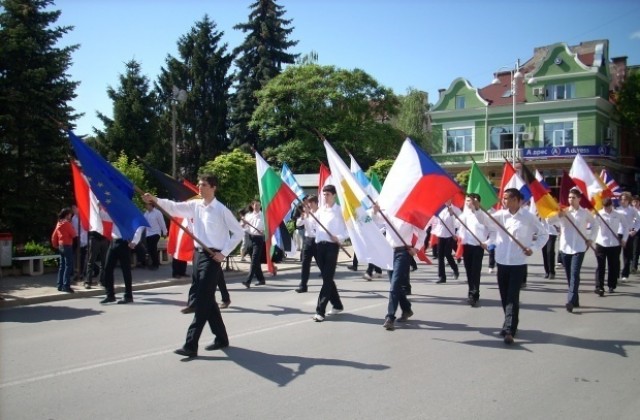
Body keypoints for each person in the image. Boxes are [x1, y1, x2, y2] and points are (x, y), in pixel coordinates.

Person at [143, 173, 244, 358]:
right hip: (198, 256)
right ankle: (221, 338)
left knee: (202, 302)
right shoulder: (195, 205)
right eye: (199, 184)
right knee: (208, 300)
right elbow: (174, 207)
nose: (200, 187)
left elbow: (238, 233)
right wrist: (155, 200)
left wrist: (224, 253)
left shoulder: (222, 210)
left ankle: (191, 344)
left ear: (213, 187)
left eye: (204, 184)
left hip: (212, 258)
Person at [487, 188, 547, 344]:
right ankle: (510, 322)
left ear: (515, 200)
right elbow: (485, 221)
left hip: (518, 263)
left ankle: (509, 330)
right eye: (503, 198)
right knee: (504, 296)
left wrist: (532, 248)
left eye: (506, 198)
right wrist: (477, 208)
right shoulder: (500, 215)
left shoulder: (528, 217)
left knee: (512, 297)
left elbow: (543, 234)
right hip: (502, 262)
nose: (504, 201)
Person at [372, 203, 425, 331]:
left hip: (403, 253)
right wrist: (375, 211)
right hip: (389, 252)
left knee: (395, 284)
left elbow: (422, 233)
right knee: (394, 284)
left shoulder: (411, 215)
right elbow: (376, 220)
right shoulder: (389, 213)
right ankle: (406, 309)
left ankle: (390, 317)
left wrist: (416, 248)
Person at [551, 188, 595, 312]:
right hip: (565, 248)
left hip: (579, 248)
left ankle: (570, 300)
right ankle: (575, 299)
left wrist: (590, 238)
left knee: (575, 274)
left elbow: (595, 224)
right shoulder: (563, 211)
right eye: (569, 197)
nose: (571, 200)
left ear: (579, 199)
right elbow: (549, 221)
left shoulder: (585, 212)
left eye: (573, 198)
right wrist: (558, 215)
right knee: (569, 275)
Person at [312, 185, 348, 322]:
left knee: (327, 278)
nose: (325, 197)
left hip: (332, 247)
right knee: (327, 277)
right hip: (319, 246)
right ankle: (337, 305)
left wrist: (338, 237)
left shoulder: (340, 211)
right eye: (324, 194)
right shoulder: (321, 210)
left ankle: (320, 310)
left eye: (327, 194)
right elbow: (314, 226)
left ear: (334, 195)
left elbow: (348, 230)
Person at [99, 221, 144, 305]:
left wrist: (134, 241)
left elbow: (138, 226)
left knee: (125, 270)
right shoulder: (114, 212)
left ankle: (128, 295)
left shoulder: (128, 212)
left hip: (124, 242)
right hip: (113, 241)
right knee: (107, 268)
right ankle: (110, 295)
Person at [457, 193, 490, 307]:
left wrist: (486, 243)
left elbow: (491, 231)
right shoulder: (465, 215)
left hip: (478, 246)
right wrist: (452, 213)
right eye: (466, 201)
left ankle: (474, 294)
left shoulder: (483, 215)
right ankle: (471, 291)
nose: (468, 203)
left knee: (475, 271)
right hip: (467, 246)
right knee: (469, 271)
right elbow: (456, 224)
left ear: (477, 202)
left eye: (470, 201)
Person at [593, 197, 628, 295]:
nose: (606, 209)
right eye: (605, 207)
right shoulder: (599, 214)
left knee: (613, 266)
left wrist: (624, 239)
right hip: (601, 243)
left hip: (614, 243)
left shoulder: (618, 214)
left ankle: (611, 285)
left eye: (608, 206)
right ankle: (599, 287)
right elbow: (594, 227)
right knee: (600, 265)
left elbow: (626, 226)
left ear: (611, 205)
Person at [430, 200, 460, 283]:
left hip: (450, 236)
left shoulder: (455, 209)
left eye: (448, 199)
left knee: (447, 254)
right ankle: (442, 277)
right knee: (440, 256)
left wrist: (452, 214)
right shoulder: (440, 209)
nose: (446, 200)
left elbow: (460, 223)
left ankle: (455, 269)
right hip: (441, 235)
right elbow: (434, 221)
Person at [295, 195, 319, 293]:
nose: (308, 205)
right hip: (308, 241)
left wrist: (310, 216)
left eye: (310, 203)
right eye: (308, 203)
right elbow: (298, 224)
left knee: (321, 264)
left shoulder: (321, 213)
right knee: (305, 263)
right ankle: (303, 285)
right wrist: (303, 216)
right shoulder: (306, 214)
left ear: (315, 203)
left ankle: (329, 283)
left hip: (318, 241)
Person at [83, 205, 111, 289]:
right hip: (94, 238)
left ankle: (103, 281)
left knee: (104, 261)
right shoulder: (94, 212)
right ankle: (88, 281)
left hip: (104, 238)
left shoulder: (106, 212)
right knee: (91, 260)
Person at [51, 207, 77, 293]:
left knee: (62, 266)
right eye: (70, 214)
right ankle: (66, 285)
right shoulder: (67, 223)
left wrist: (55, 244)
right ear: (67, 215)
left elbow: (54, 235)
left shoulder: (59, 223)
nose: (71, 215)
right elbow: (73, 234)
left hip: (61, 245)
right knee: (68, 266)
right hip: (67, 245)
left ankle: (59, 285)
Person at [616, 192, 640, 281]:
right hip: (618, 233)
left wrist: (634, 231)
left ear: (628, 200)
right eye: (621, 199)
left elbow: (638, 221)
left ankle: (625, 274)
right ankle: (616, 274)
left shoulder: (632, 210)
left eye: (625, 199)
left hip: (628, 234)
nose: (623, 201)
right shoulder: (617, 209)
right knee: (615, 255)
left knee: (627, 255)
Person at [242, 200, 266, 288]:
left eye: (258, 205)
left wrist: (264, 231)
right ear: (252, 206)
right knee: (255, 261)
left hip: (259, 239)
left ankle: (248, 281)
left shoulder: (263, 216)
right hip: (250, 238)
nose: (257, 207)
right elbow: (242, 227)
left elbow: (268, 227)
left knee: (254, 260)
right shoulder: (248, 216)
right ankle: (261, 279)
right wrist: (244, 224)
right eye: (255, 205)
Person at [143, 201, 168, 270]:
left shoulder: (157, 213)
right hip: (148, 233)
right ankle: (152, 263)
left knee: (152, 248)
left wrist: (165, 232)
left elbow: (162, 223)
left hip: (156, 233)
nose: (146, 206)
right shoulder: (146, 213)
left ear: (151, 205)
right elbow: (143, 223)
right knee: (150, 249)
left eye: (147, 205)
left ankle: (155, 264)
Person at [71, 204, 88, 283]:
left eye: (75, 208)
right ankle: (77, 273)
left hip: (83, 240)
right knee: (76, 257)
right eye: (73, 209)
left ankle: (81, 274)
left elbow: (85, 230)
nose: (74, 210)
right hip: (76, 239)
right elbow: (73, 228)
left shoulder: (83, 217)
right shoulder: (74, 218)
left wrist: (83, 240)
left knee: (82, 257)